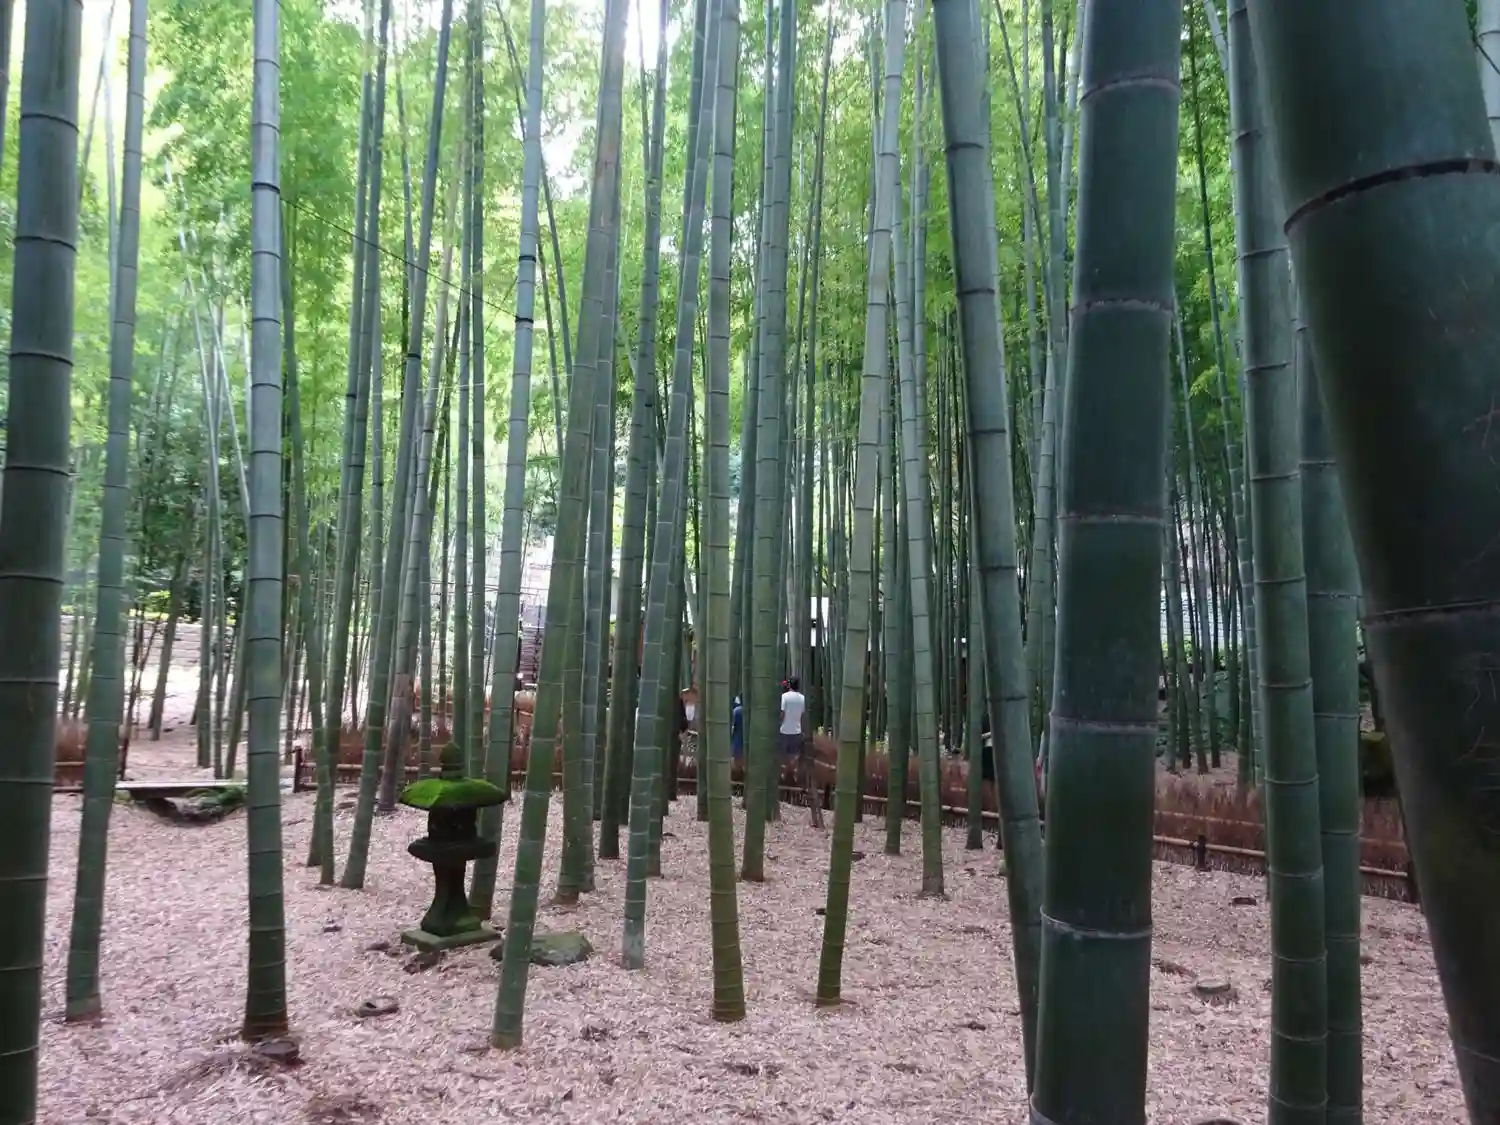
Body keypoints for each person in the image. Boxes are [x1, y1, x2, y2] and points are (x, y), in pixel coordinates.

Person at [779, 676, 806, 761]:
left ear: (789, 685)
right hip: (797, 731)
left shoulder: (784, 696)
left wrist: (778, 724)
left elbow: (782, 713)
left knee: (784, 756)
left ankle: (788, 768)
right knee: (794, 755)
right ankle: (793, 767)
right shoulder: (802, 698)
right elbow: (802, 715)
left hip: (784, 730)